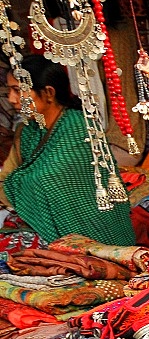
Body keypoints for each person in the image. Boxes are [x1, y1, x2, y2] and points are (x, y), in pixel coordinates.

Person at [0, 54, 135, 247]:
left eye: (18, 90)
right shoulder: (27, 130)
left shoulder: (80, 128)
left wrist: (16, 186)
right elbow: (7, 177)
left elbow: (46, 180)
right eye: (9, 91)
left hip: (91, 231)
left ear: (48, 92)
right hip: (38, 220)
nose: (12, 99)